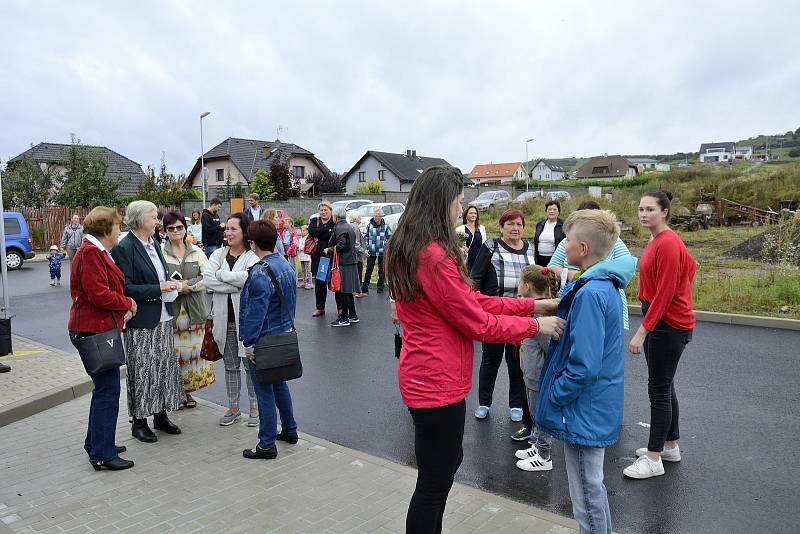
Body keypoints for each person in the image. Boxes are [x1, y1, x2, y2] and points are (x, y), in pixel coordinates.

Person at [384, 165, 564, 534]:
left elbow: (472, 301)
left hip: (427, 376)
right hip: (435, 382)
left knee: (445, 465)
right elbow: (477, 322)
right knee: (434, 482)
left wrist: (531, 306)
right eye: (458, 201)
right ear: (442, 202)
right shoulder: (432, 257)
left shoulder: (411, 248)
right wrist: (534, 326)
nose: (460, 208)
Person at [535, 209, 636, 534]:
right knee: (592, 488)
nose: (563, 243)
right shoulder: (602, 285)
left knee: (586, 496)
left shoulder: (591, 293)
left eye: (568, 239)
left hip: (581, 409)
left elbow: (584, 364)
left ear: (582, 249)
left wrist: (556, 395)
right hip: (592, 405)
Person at [624, 190, 696, 480]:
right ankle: (670, 445)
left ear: (664, 211)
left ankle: (654, 458)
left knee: (658, 389)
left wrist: (642, 332)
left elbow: (665, 294)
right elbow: (691, 268)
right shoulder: (658, 239)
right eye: (641, 209)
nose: (643, 214)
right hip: (666, 320)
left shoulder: (668, 242)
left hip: (668, 324)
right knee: (666, 386)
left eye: (650, 209)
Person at [69, 206, 137, 471]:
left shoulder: (96, 251)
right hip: (92, 331)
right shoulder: (91, 254)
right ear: (105, 229)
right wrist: (127, 302)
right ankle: (102, 453)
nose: (120, 231)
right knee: (108, 391)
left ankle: (98, 442)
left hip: (97, 328)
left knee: (104, 390)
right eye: (118, 226)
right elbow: (98, 294)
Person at [111, 200, 183, 443]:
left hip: (163, 315)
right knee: (142, 371)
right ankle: (139, 422)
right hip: (141, 319)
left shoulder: (155, 243)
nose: (158, 221)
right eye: (154, 217)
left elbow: (159, 274)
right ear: (141, 219)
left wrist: (169, 283)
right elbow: (126, 287)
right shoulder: (125, 247)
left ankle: (160, 415)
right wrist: (158, 288)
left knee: (163, 368)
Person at [470, 208, 537, 425]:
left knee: (516, 361)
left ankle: (515, 404)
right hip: (494, 313)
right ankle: (484, 402)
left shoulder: (530, 249)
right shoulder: (491, 246)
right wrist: (479, 306)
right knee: (491, 359)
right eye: (510, 224)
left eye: (519, 224)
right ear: (501, 227)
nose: (515, 228)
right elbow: (476, 277)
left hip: (521, 314)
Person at [239, 220, 299, 459]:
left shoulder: (260, 272)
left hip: (264, 340)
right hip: (283, 336)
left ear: (252, 243)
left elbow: (256, 313)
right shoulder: (285, 265)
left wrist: (248, 342)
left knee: (264, 390)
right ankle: (290, 430)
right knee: (280, 385)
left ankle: (266, 444)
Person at [203, 213, 260, 427]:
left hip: (245, 323)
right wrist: (234, 285)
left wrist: (221, 276)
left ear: (245, 232)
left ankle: (255, 408)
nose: (227, 233)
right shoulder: (218, 254)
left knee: (249, 366)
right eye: (226, 229)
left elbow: (248, 278)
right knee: (230, 366)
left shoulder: (252, 257)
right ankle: (234, 407)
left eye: (233, 229)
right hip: (223, 320)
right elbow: (208, 280)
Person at [548, 200, 633, 330]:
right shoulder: (569, 240)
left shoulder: (611, 239)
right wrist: (571, 274)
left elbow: (626, 266)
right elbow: (552, 267)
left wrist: (590, 275)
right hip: (572, 294)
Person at [161, 211, 215, 409]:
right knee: (173, 354)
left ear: (185, 229)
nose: (176, 231)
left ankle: (187, 393)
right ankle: (175, 393)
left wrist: (186, 286)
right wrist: (174, 287)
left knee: (190, 356)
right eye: (171, 228)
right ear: (165, 231)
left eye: (179, 227)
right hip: (172, 313)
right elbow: (157, 279)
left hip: (193, 312)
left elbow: (207, 276)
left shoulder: (196, 251)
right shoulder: (161, 252)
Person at [514, 265, 560, 472]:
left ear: (527, 285)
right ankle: (537, 445)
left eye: (520, 281)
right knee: (534, 413)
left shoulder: (542, 317)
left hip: (538, 376)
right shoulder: (536, 311)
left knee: (539, 414)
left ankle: (544, 456)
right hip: (531, 375)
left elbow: (549, 349)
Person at [324, 206, 360, 327]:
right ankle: (353, 315)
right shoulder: (348, 226)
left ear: (335, 217)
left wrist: (328, 250)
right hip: (350, 261)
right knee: (348, 290)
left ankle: (344, 318)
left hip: (343, 263)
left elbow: (341, 245)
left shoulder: (339, 227)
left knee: (343, 291)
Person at [308, 201, 335, 317]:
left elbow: (333, 234)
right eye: (321, 210)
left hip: (332, 257)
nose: (323, 212)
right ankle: (320, 308)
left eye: (326, 210)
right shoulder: (315, 221)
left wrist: (319, 235)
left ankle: (340, 308)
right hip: (318, 258)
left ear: (330, 210)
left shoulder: (334, 221)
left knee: (335, 283)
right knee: (319, 284)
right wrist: (327, 231)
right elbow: (311, 231)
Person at [361, 207, 391, 296]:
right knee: (369, 269)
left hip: (382, 252)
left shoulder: (385, 227)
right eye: (375, 216)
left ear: (381, 217)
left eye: (377, 216)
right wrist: (367, 245)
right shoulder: (369, 225)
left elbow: (390, 238)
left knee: (381, 270)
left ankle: (380, 287)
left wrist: (386, 246)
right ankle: (365, 287)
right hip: (371, 251)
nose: (376, 218)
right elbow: (365, 236)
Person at [533, 200, 565, 266]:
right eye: (549, 209)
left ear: (558, 212)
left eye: (554, 209)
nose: (552, 211)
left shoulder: (563, 225)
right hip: (539, 258)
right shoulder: (540, 224)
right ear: (546, 211)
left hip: (555, 259)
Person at [455, 206, 486, 271]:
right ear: (466, 216)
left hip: (479, 261)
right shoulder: (459, 229)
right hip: (466, 261)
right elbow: (454, 245)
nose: (473, 215)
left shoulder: (482, 228)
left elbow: (484, 245)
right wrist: (460, 247)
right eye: (471, 213)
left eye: (475, 213)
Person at [348, 211, 368, 298]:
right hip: (357, 255)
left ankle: (354, 290)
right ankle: (358, 291)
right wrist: (363, 251)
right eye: (360, 217)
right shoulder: (355, 227)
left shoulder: (350, 226)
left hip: (352, 255)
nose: (361, 219)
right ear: (356, 219)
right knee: (358, 272)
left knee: (354, 273)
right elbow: (356, 243)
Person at [296, 225, 313, 289]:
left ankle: (310, 283)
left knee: (308, 270)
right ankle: (304, 282)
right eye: (301, 230)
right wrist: (297, 247)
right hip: (301, 256)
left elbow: (306, 247)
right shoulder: (300, 239)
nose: (302, 232)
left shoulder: (308, 238)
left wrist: (299, 247)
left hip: (307, 257)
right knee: (303, 270)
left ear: (307, 231)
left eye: (304, 230)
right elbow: (298, 246)